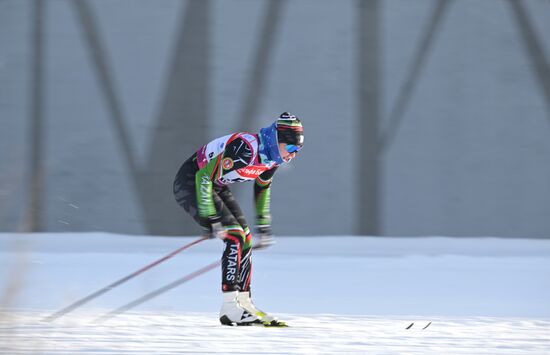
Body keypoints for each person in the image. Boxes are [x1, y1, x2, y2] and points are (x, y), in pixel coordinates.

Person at [173, 112, 304, 327]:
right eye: (290, 148)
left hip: (214, 185)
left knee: (246, 239)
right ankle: (229, 308)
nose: (293, 155)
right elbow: (202, 176)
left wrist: (263, 225)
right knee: (234, 237)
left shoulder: (272, 158)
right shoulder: (246, 148)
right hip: (191, 182)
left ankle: (244, 303)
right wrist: (211, 216)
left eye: (298, 150)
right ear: (276, 139)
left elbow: (263, 188)